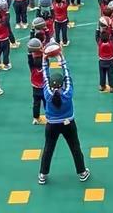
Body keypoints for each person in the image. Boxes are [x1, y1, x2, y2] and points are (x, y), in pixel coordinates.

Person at [38, 48, 90, 185]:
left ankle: (42, 175)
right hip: (68, 123)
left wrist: (45, 59)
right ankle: (82, 172)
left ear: (50, 84)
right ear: (62, 84)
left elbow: (44, 75)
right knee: (75, 148)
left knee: (48, 149)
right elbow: (68, 75)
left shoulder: (48, 94)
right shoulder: (67, 93)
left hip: (51, 125)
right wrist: (61, 59)